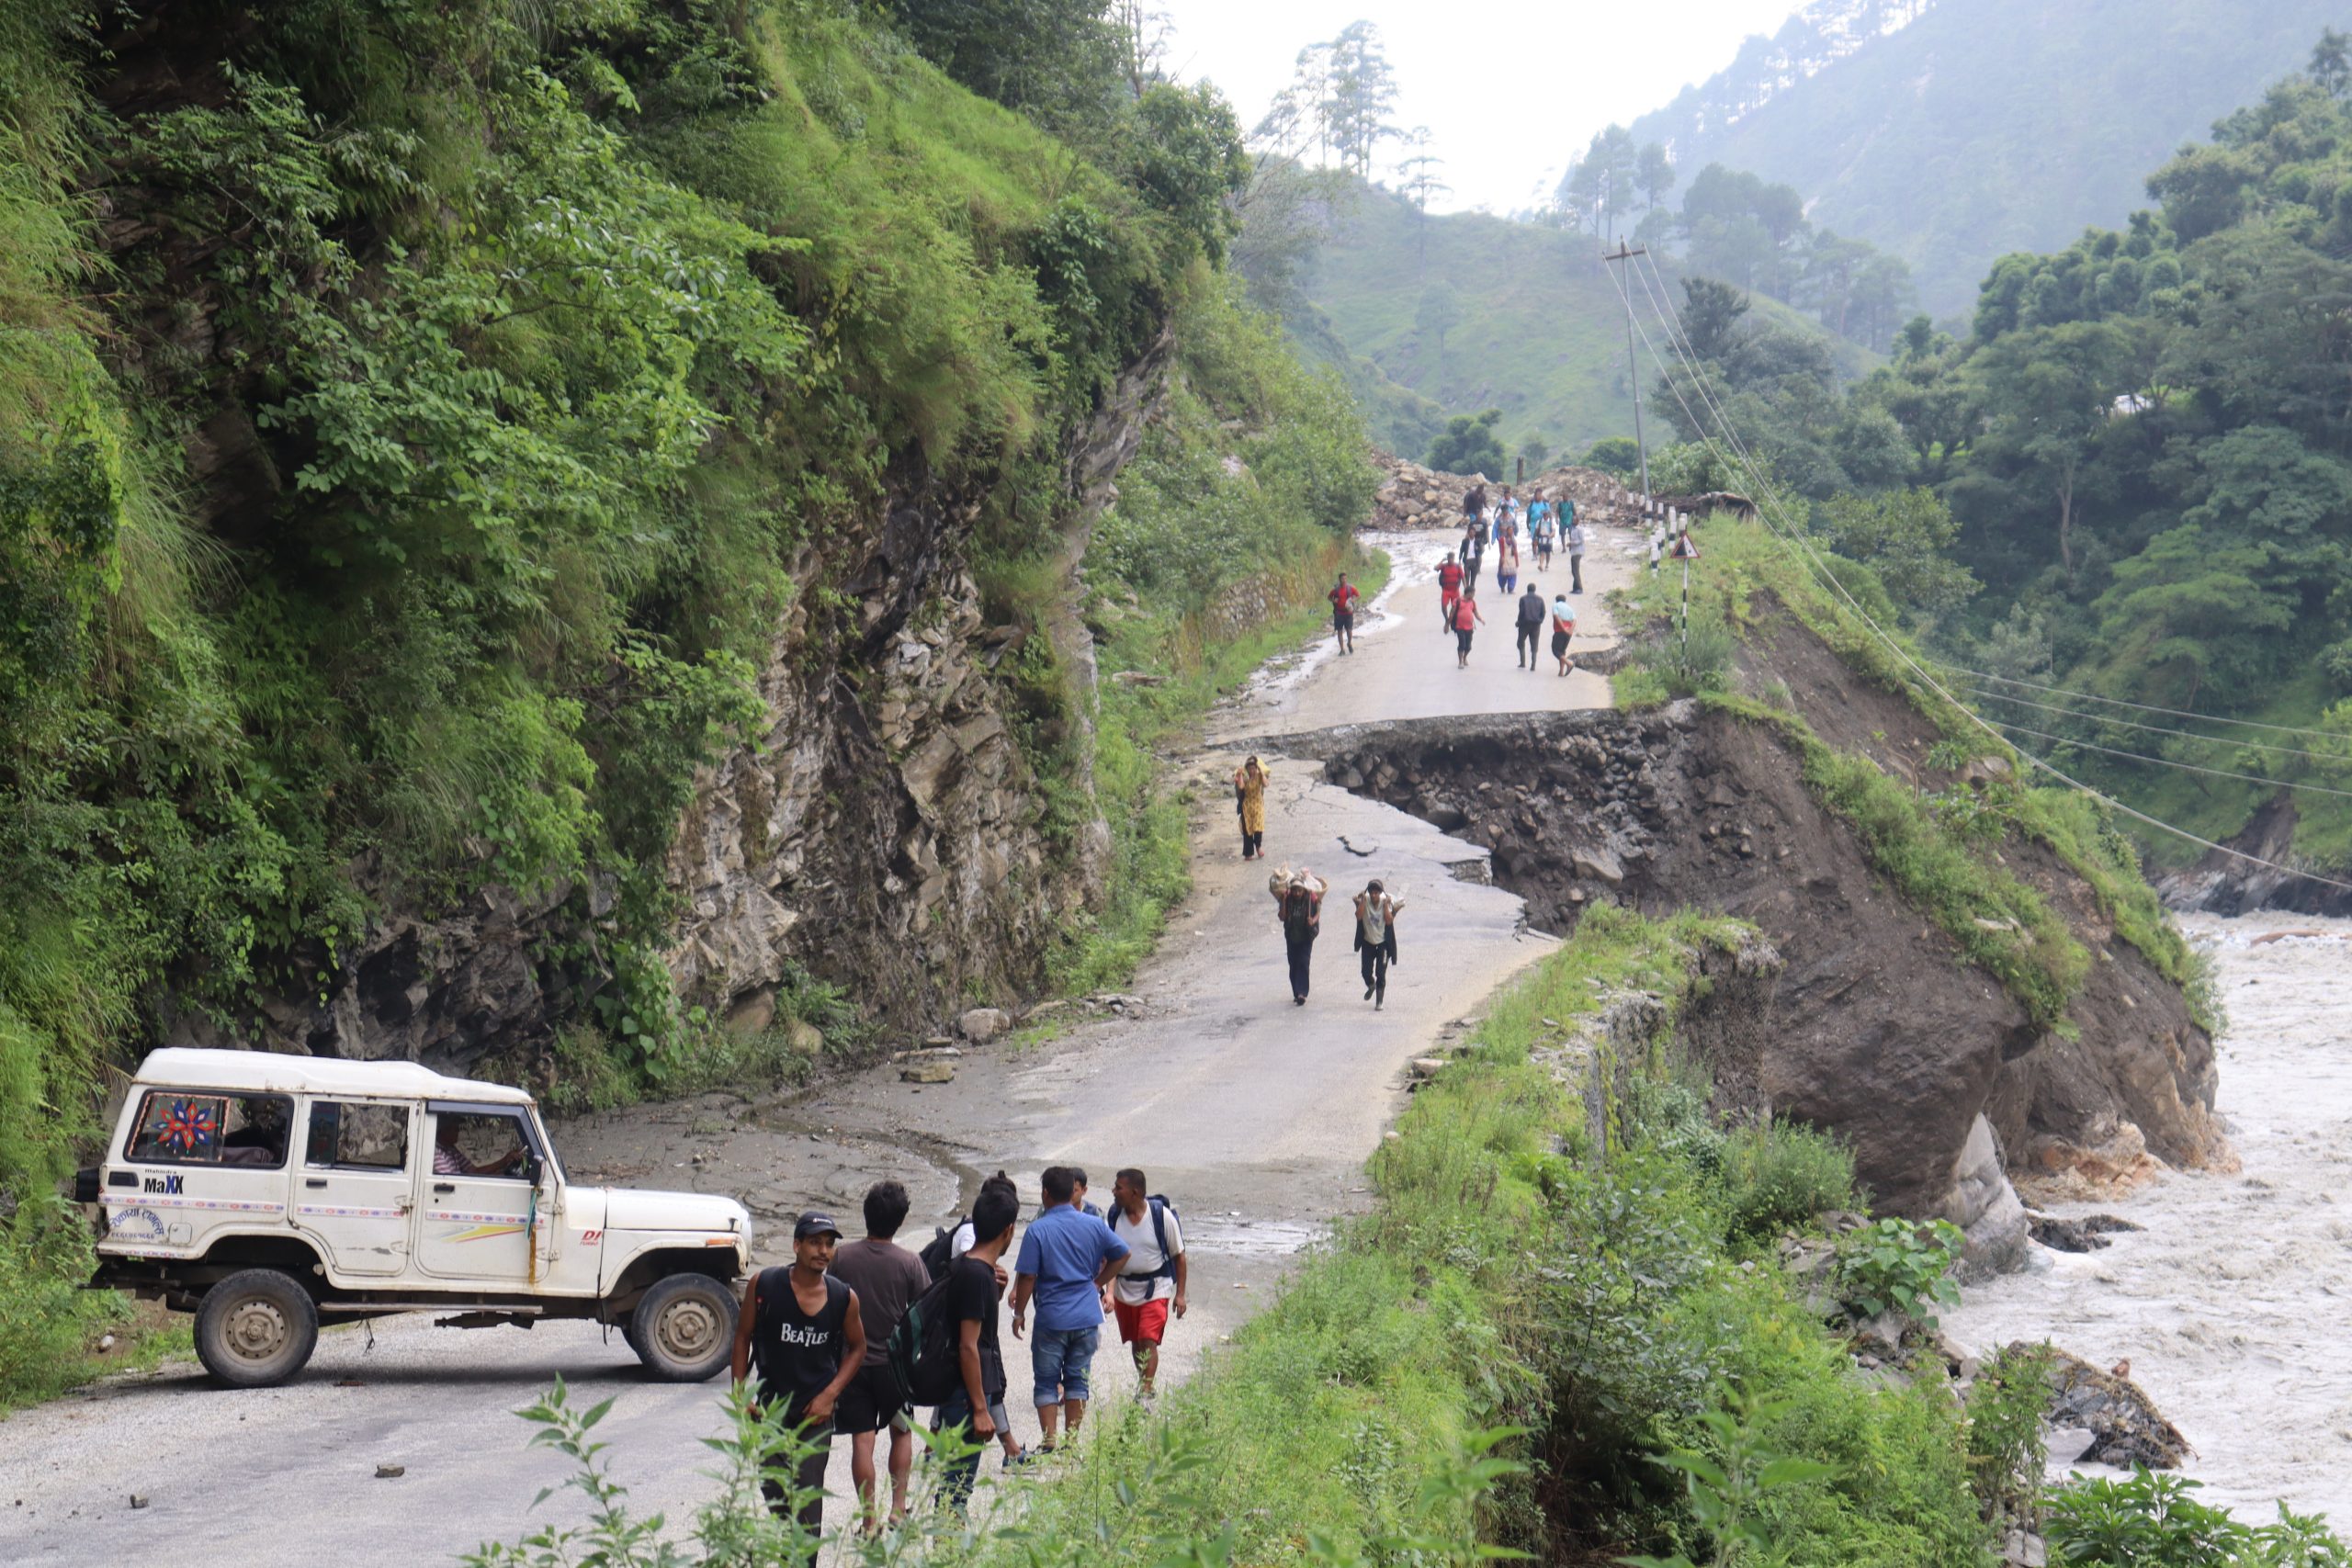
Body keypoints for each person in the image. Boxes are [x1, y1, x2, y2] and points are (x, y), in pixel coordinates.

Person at [732, 1213, 865, 1534]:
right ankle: (784, 1554)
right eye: (815, 1242)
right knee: (777, 1498)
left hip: (815, 1416)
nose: (823, 1250)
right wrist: (740, 1394)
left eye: (829, 1244)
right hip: (770, 1411)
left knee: (807, 1503)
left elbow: (858, 1348)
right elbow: (742, 1337)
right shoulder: (764, 1285)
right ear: (796, 1246)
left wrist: (829, 1395)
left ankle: (804, 1556)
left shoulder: (843, 1297)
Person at [826, 1181, 932, 1532]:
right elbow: (925, 1310)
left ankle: (869, 1521)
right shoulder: (910, 1262)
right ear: (900, 1221)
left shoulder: (841, 1258)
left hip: (852, 1365)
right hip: (894, 1367)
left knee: (862, 1439)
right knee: (901, 1433)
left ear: (865, 1214)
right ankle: (898, 1509)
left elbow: (829, 1299)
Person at [1011, 1167, 1128, 1452]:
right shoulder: (1094, 1224)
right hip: (1086, 1316)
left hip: (1052, 1318)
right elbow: (1122, 1253)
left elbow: (1027, 1276)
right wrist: (1097, 1282)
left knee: (1046, 1382)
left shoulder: (1038, 1229)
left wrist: (1020, 1312)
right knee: (1078, 1379)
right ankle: (1071, 1445)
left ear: (1045, 1194)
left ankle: (1049, 1442)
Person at [938, 1184, 1018, 1515]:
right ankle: (949, 1541)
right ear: (1008, 1230)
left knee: (954, 1484)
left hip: (956, 1390)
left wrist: (996, 1293)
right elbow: (968, 1346)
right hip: (964, 1395)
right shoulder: (976, 1275)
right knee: (956, 1487)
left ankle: (948, 1539)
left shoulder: (968, 1266)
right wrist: (981, 1409)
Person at [1107, 1169, 1186, 1399]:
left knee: (1147, 1338)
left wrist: (1180, 1294)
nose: (1114, 1191)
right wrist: (1109, 1292)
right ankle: (1144, 1383)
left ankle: (1145, 1391)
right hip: (1125, 1289)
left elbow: (1179, 1256)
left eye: (1118, 1188)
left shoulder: (1162, 1217)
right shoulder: (1115, 1216)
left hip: (1157, 1287)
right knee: (1136, 1340)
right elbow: (1111, 1258)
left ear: (1135, 1192)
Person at [1270, 867, 1325, 1005]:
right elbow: (1282, 917)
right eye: (1294, 890)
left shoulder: (1310, 899)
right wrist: (1283, 901)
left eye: (1299, 890)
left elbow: (1318, 912)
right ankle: (1296, 992)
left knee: (1304, 963)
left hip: (1306, 937)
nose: (1297, 893)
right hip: (1291, 937)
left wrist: (1313, 921)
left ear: (1304, 890)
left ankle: (1302, 993)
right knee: (1293, 964)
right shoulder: (1287, 900)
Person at [1352, 880, 1403, 1010]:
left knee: (1381, 973)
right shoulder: (1365, 900)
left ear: (1380, 893)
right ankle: (1371, 985)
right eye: (1371, 893)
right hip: (1368, 942)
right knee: (1365, 972)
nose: (1374, 895)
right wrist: (1362, 902)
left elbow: (1389, 921)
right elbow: (1358, 916)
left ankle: (1379, 1001)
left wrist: (1386, 906)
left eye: (1376, 893)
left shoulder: (1385, 901)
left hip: (1382, 944)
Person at [1233, 756, 1268, 861]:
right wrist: (1239, 774)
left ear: (1256, 768)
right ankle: (1248, 853)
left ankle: (1258, 847)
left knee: (1258, 827)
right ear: (1247, 769)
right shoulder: (1245, 777)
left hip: (1258, 804)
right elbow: (1241, 786)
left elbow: (1266, 784)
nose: (1252, 771)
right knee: (1247, 829)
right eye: (1249, 769)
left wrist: (1262, 773)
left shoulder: (1259, 776)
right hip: (1247, 806)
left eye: (1253, 768)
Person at [1515, 581, 1546, 670]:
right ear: (1535, 590)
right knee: (1534, 644)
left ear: (1527, 589)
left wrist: (1518, 622)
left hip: (1524, 624)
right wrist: (1540, 621)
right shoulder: (1540, 599)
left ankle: (1523, 662)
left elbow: (1521, 612)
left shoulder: (1523, 599)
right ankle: (1533, 665)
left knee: (1520, 642)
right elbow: (1543, 612)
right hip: (1536, 625)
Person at [1328, 572, 1362, 655]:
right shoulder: (1335, 590)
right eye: (1343, 579)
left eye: (1345, 578)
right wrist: (1333, 600)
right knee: (1339, 631)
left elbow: (1358, 595)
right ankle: (1342, 649)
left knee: (1349, 630)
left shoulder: (1350, 588)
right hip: (1338, 613)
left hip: (1348, 612)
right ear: (1339, 579)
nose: (1344, 580)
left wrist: (1354, 600)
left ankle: (1349, 643)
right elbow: (1329, 597)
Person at [1453, 585, 1484, 670]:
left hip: (1469, 628)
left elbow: (1475, 613)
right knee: (1462, 644)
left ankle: (1464, 657)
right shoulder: (1458, 601)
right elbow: (1452, 613)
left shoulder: (1472, 602)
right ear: (1469, 593)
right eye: (1473, 593)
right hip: (1459, 627)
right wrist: (1448, 624)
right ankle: (1460, 662)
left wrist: (1481, 620)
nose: (1474, 595)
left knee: (1468, 646)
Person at [1551, 591, 1577, 676]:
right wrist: (1570, 630)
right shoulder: (1569, 608)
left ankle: (1569, 663)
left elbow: (1556, 617)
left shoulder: (1556, 605)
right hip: (1569, 632)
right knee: (1562, 651)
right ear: (1565, 601)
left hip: (1560, 630)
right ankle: (1561, 672)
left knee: (1555, 650)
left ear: (1556, 600)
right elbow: (1574, 620)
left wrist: (1563, 629)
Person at [1436, 554, 1464, 635]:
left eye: (1452, 559)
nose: (1450, 560)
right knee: (1443, 607)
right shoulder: (1444, 566)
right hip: (1446, 590)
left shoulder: (1458, 567)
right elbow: (1435, 568)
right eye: (1449, 559)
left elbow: (1463, 577)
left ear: (1454, 559)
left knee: (1455, 608)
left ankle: (1451, 622)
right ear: (1447, 559)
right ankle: (1447, 620)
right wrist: (1441, 561)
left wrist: (1466, 587)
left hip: (1455, 590)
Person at [1566, 510, 1589, 594]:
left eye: (1574, 520)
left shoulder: (1579, 529)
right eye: (1572, 520)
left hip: (1578, 551)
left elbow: (1581, 540)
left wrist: (1572, 543)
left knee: (1576, 570)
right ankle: (1575, 587)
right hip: (1574, 551)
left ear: (1577, 521)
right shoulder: (1573, 529)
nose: (1572, 521)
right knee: (1573, 570)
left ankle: (1579, 588)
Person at [1496, 530, 1520, 596]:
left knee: (1512, 574)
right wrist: (1502, 557)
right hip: (1504, 558)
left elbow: (1515, 550)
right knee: (1502, 575)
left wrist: (1517, 561)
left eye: (1512, 531)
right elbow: (1501, 549)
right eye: (1509, 531)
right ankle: (1502, 586)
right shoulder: (1502, 540)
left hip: (1512, 560)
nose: (1510, 532)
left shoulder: (1513, 540)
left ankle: (1510, 588)